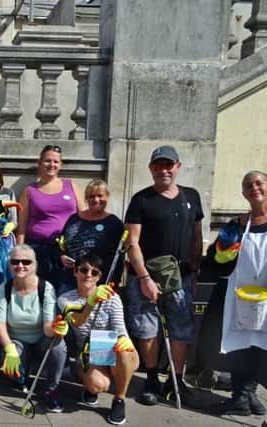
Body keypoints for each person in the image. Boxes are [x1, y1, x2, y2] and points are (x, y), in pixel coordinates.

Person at [123, 145, 203, 407]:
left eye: (169, 165)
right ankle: (151, 380)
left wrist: (194, 269)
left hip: (180, 278)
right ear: (151, 169)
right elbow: (132, 242)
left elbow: (196, 236)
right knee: (148, 330)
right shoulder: (141, 199)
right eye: (158, 166)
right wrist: (144, 277)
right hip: (145, 277)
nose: (164, 170)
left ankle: (176, 380)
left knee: (181, 330)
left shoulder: (192, 196)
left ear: (178, 167)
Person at [201, 171, 267, 416]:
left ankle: (247, 393)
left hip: (266, 300)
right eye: (248, 185)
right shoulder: (238, 224)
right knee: (240, 345)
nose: (254, 188)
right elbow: (217, 258)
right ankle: (242, 396)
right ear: (243, 193)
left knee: (261, 346)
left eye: (259, 183)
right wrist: (229, 240)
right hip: (238, 296)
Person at [57, 253, 139, 425]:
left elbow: (120, 329)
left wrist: (124, 340)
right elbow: (77, 323)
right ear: (75, 272)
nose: (88, 274)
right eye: (84, 270)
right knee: (98, 384)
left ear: (100, 277)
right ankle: (94, 382)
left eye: (94, 272)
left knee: (124, 350)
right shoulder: (65, 299)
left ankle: (119, 400)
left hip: (109, 345)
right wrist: (91, 303)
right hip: (88, 351)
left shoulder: (112, 297)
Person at [0, 244, 67, 412]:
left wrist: (56, 329)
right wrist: (9, 349)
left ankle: (52, 389)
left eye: (26, 262)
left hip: (41, 339)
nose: (20, 266)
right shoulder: (4, 289)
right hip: (17, 342)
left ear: (35, 265)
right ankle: (22, 376)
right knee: (10, 364)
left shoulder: (46, 288)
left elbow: (48, 327)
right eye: (15, 261)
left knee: (58, 344)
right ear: (9, 264)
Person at [16, 145, 85, 295]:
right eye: (47, 161)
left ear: (60, 165)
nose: (51, 165)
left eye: (55, 161)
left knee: (65, 292)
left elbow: (84, 217)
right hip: (38, 249)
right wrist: (19, 254)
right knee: (38, 292)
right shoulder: (29, 190)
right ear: (39, 163)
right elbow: (21, 227)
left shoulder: (71, 186)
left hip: (67, 251)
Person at [59, 180, 124, 288]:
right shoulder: (73, 219)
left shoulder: (114, 223)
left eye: (100, 195)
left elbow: (120, 256)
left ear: (107, 196)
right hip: (71, 280)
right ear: (86, 198)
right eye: (91, 196)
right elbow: (60, 243)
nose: (96, 199)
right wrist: (61, 256)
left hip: (100, 282)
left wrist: (115, 282)